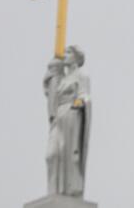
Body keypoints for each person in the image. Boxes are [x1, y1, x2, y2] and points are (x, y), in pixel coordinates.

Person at [44, 45, 91, 198]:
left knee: (70, 155)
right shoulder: (60, 78)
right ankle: (53, 191)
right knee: (51, 154)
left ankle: (70, 189)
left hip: (72, 115)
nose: (64, 55)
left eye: (68, 52)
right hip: (59, 116)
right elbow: (50, 93)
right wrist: (51, 74)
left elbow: (85, 96)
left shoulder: (81, 77)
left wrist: (79, 102)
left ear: (76, 58)